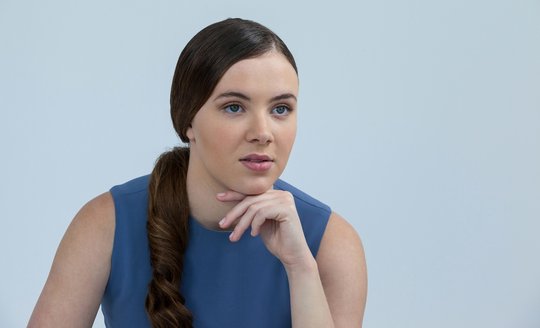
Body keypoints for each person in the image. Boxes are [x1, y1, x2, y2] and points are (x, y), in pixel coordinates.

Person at [28, 18, 367, 327]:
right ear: (188, 120)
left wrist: (300, 268)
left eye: (281, 109)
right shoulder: (106, 224)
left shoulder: (331, 244)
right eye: (234, 107)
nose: (263, 132)